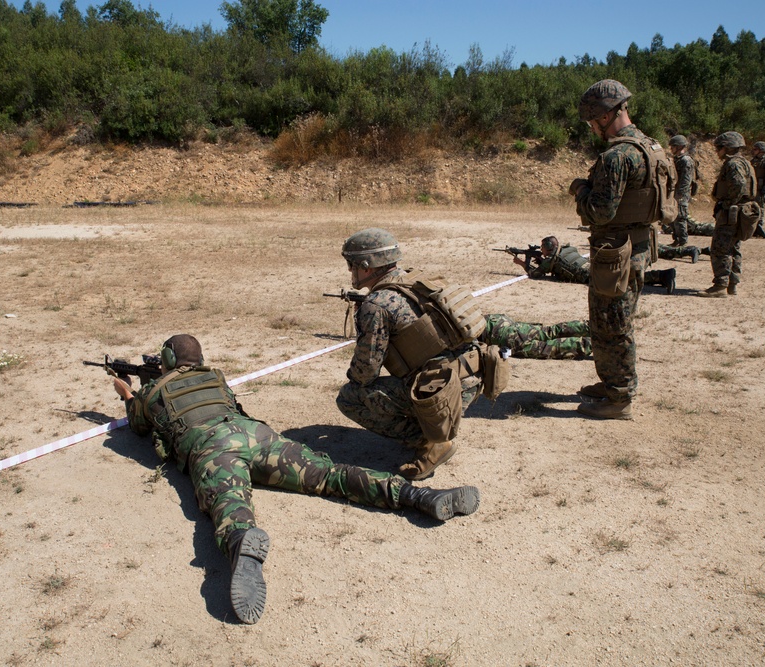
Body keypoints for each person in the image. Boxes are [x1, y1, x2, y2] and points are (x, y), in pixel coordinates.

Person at [112, 334, 480, 625]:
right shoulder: (215, 377)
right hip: (256, 435)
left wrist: (128, 392)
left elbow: (139, 425)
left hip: (211, 446)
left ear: (169, 360)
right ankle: (418, 495)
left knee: (229, 502)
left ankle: (242, 542)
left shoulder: (153, 392)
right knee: (331, 474)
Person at [336, 228, 494, 481]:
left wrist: (365, 318)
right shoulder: (419, 281)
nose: (349, 271)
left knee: (350, 397)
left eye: (351, 264)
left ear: (366, 266)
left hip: (444, 390)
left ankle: (431, 442)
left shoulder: (376, 304)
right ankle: (435, 427)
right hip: (474, 374)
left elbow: (365, 372)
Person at [568, 79, 673, 420]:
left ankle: (619, 397)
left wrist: (581, 191)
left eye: (592, 120)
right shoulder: (651, 147)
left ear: (605, 114)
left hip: (617, 252)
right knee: (614, 318)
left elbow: (600, 211)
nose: (592, 128)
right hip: (638, 244)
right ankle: (612, 382)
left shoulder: (618, 155)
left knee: (611, 321)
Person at [696, 131, 757, 298]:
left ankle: (720, 285)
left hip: (732, 212)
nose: (717, 151)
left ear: (728, 148)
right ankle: (732, 283)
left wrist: (728, 204)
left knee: (720, 248)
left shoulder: (733, 164)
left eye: (719, 148)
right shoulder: (745, 163)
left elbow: (738, 185)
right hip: (739, 211)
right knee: (734, 247)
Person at [519, 235, 679, 292]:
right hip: (593, 266)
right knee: (622, 275)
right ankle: (663, 275)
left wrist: (521, 262)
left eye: (542, 248)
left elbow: (535, 274)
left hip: (591, 275)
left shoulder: (552, 260)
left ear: (548, 248)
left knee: (622, 279)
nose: (541, 250)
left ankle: (663, 275)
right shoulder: (568, 249)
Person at [484, 314, 591, 359]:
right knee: (550, 331)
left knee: (550, 348)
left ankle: (592, 345)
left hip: (509, 338)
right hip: (503, 322)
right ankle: (591, 327)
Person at [666, 135, 703, 247]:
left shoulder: (686, 161)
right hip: (675, 193)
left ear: (680, 147)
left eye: (673, 146)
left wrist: (679, 196)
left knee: (681, 218)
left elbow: (686, 181)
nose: (671, 149)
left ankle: (683, 242)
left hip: (681, 194)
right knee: (673, 218)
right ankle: (677, 239)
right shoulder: (678, 159)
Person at [751, 141, 765, 238]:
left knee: (760, 208)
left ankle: (759, 227)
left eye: (755, 149)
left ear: (761, 151)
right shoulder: (753, 161)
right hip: (753, 189)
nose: (753, 151)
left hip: (760, 190)